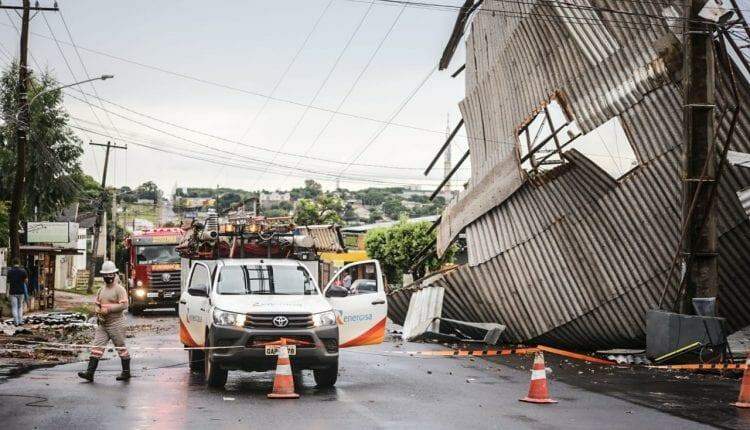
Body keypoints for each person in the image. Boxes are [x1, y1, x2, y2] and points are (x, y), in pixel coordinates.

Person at [78, 261, 131, 382]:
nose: (108, 277)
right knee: (97, 347)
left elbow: (124, 305)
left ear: (114, 274)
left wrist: (109, 309)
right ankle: (89, 373)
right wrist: (98, 311)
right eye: (105, 275)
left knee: (120, 347)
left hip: (117, 323)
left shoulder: (119, 289)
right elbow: (97, 304)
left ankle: (126, 372)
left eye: (110, 274)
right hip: (103, 324)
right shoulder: (101, 290)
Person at [7, 260, 28, 326]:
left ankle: (16, 322)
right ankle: (20, 321)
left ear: (13, 263)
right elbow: (26, 281)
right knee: (20, 307)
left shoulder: (9, 271)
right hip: (21, 292)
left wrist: (7, 292)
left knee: (14, 307)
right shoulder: (23, 271)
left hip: (12, 292)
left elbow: (8, 282)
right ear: (19, 263)